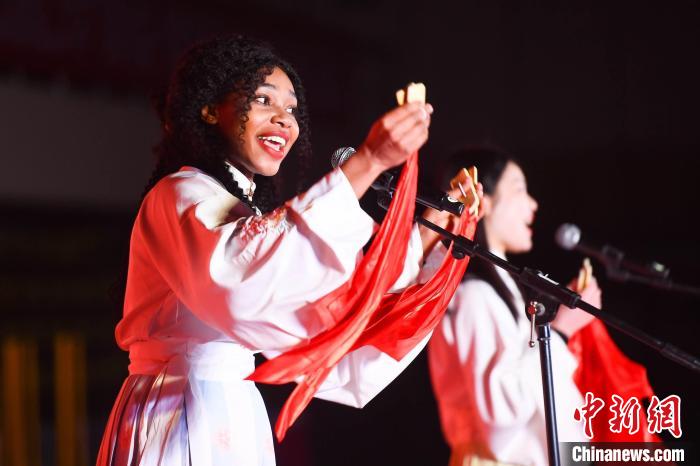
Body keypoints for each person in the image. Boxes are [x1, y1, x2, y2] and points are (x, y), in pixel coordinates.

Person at [97, 35, 437, 466]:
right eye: (263, 100)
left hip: (230, 405)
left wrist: (427, 248)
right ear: (209, 109)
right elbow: (239, 281)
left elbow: (322, 315)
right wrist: (367, 162)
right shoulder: (178, 193)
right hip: (176, 407)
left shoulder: (242, 212)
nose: (284, 119)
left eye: (292, 109)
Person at [428, 146, 600, 466]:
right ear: (485, 200)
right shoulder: (473, 294)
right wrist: (560, 332)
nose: (533, 204)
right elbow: (501, 410)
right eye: (520, 190)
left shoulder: (498, 290)